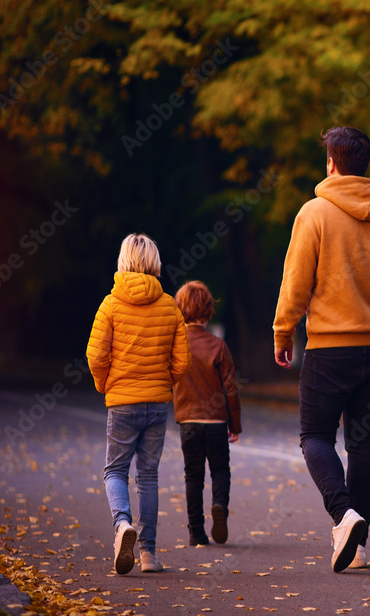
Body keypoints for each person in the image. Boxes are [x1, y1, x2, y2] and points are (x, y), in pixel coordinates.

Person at [273, 126, 370, 573]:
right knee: (363, 442)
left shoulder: (314, 214)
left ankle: (343, 515)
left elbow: (295, 284)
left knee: (314, 436)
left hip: (330, 347)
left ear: (332, 162)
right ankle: (360, 546)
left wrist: (283, 332)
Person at [87, 234, 190, 574]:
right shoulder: (169, 306)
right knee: (148, 476)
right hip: (157, 403)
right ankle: (148, 554)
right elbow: (182, 360)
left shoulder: (110, 304)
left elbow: (96, 355)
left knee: (115, 470)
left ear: (124, 259)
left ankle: (121, 525)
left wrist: (106, 385)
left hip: (122, 403)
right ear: (154, 261)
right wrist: (164, 383)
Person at [173, 280, 242, 548]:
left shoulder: (176, 345)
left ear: (181, 309)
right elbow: (231, 390)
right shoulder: (218, 346)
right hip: (215, 422)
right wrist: (234, 424)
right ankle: (219, 506)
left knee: (193, 475)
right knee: (220, 470)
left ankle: (196, 532)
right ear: (209, 309)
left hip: (188, 420)